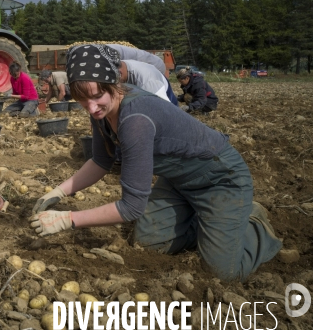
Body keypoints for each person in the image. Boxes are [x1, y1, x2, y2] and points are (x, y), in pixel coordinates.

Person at [29, 44, 282, 282]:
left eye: (97, 96)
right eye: (83, 100)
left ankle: (252, 223)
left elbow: (131, 207)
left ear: (113, 83)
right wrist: (59, 191)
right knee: (150, 242)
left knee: (222, 272)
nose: (92, 108)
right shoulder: (102, 113)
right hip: (178, 181)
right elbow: (100, 160)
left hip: (220, 180)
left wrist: (68, 219)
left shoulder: (135, 119)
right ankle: (210, 222)